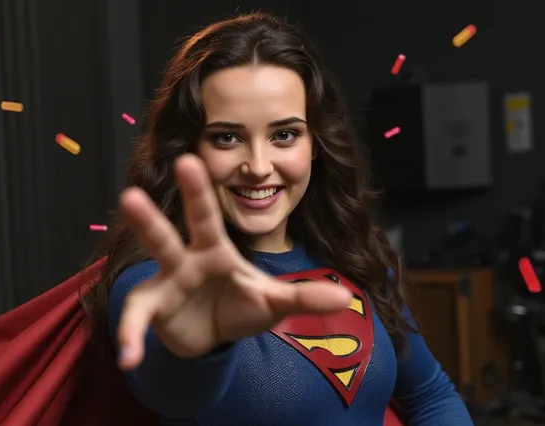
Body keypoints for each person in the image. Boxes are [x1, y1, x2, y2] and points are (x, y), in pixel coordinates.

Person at [83, 11, 474, 426]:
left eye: (283, 135)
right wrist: (197, 348)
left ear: (316, 144)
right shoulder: (155, 282)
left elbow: (431, 395)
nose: (258, 166)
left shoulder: (357, 258)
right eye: (227, 137)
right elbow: (174, 391)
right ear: (189, 149)